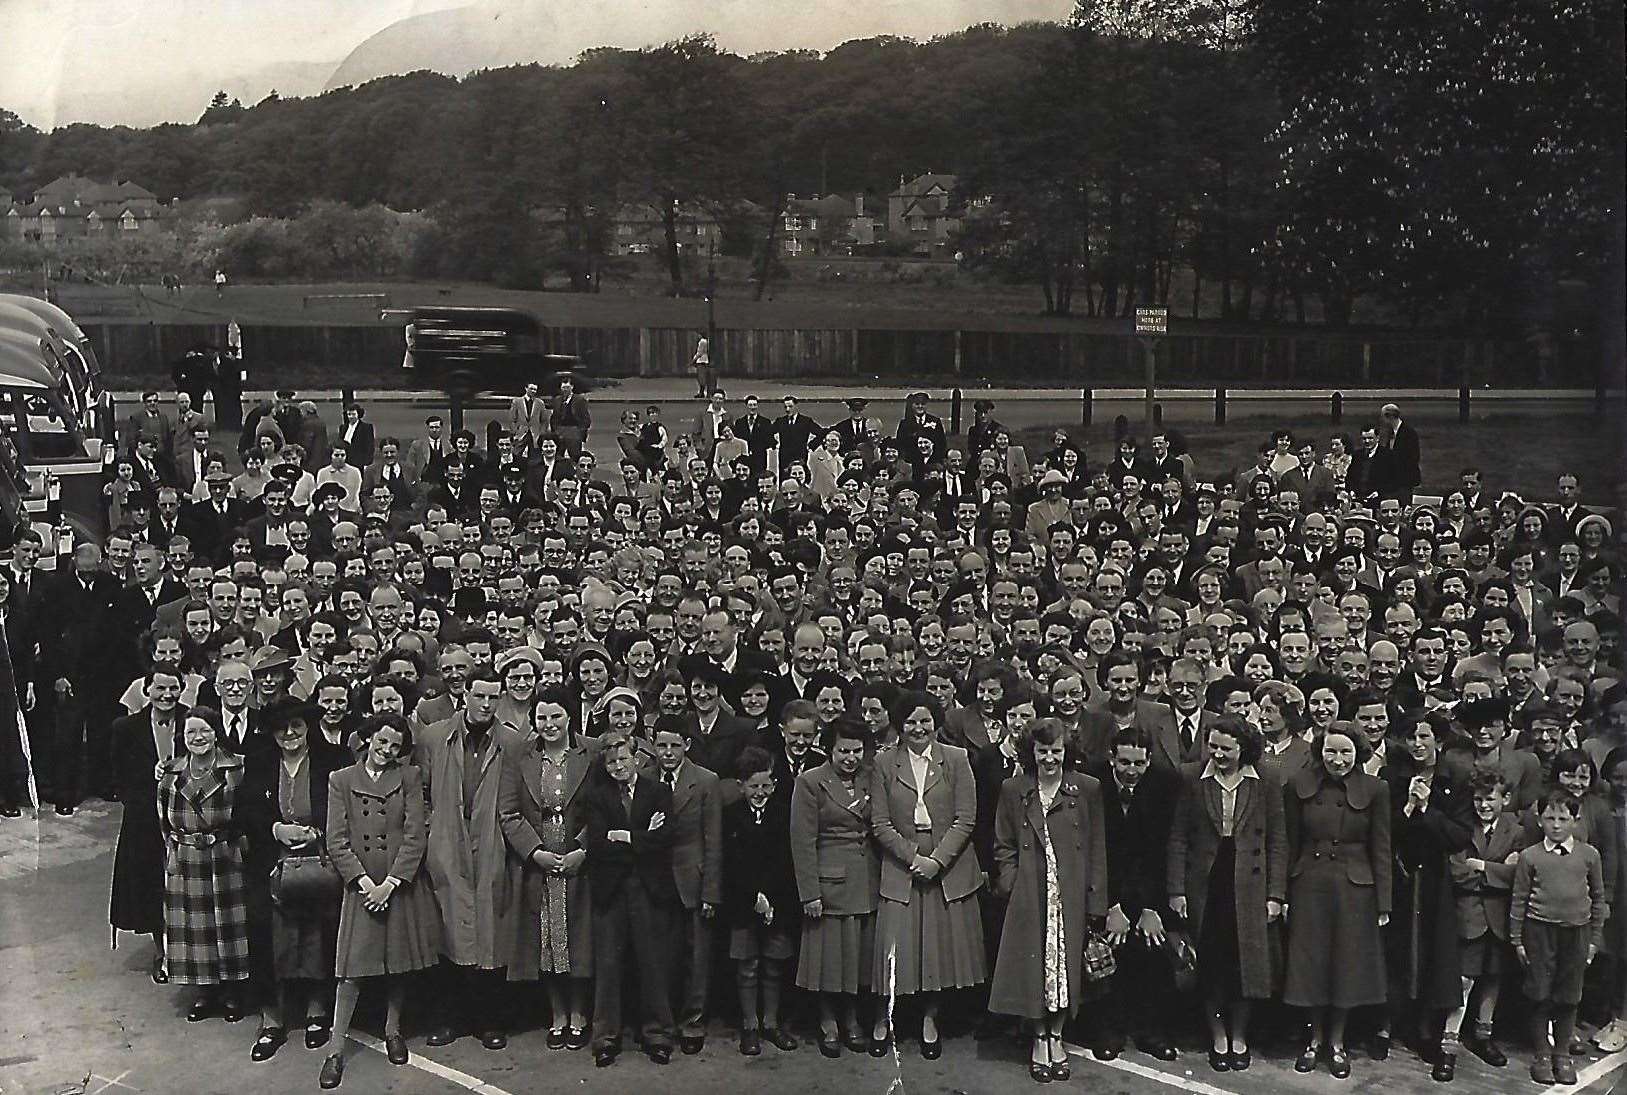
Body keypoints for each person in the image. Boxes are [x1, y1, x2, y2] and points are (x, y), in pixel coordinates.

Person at [320, 714, 440, 1089]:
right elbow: (336, 839)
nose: (386, 751)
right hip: (361, 886)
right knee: (351, 971)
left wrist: (389, 884)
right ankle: (335, 1051)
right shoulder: (340, 780)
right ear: (368, 739)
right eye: (381, 742)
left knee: (397, 963)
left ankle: (393, 1030)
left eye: (395, 746)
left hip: (396, 883)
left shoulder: (409, 777)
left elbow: (415, 835)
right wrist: (363, 883)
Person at [988, 717, 1109, 1083]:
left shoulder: (1086, 789)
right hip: (1029, 893)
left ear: (1066, 752)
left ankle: (1057, 1036)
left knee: (1065, 969)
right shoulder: (1014, 789)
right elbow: (1003, 844)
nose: (1050, 759)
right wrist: (1011, 884)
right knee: (1033, 968)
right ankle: (1038, 1038)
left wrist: (1095, 901)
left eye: (1056, 751)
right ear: (1032, 752)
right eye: (1043, 751)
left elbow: (1097, 849)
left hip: (1069, 895)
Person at [868, 690, 985, 1058]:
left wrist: (936, 860)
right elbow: (880, 822)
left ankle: (930, 1020)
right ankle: (883, 1019)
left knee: (934, 951)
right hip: (902, 862)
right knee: (895, 946)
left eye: (925, 721)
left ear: (936, 723)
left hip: (944, 864)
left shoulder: (957, 759)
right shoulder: (885, 763)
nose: (919, 728)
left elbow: (966, 818)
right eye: (911, 722)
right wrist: (912, 857)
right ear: (899, 726)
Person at [1167, 715, 1286, 1073]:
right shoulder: (1192, 778)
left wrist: (1275, 895)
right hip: (1208, 883)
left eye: (1226, 748)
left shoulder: (1265, 779)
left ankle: (1239, 1035)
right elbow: (1178, 838)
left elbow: (1278, 840)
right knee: (1212, 965)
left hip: (1249, 886)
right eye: (1213, 746)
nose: (1217, 754)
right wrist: (1176, 890)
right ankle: (1218, 1035)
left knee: (1244, 967)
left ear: (1243, 748)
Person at [241, 697, 350, 1061]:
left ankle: (317, 1011)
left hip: (319, 863)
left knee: (318, 932)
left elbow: (345, 809)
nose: (289, 733)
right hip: (270, 864)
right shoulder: (258, 764)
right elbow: (243, 811)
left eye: (297, 726)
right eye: (281, 727)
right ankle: (272, 1019)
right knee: (266, 933)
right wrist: (275, 828)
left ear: (308, 726)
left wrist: (316, 833)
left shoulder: (331, 761)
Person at [1283, 725, 1392, 1079]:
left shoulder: (1376, 789)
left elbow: (1382, 848)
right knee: (1311, 965)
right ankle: (1313, 1039)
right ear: (1320, 751)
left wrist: (1384, 903)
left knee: (1345, 966)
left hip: (1354, 890)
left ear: (1358, 753)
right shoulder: (1299, 785)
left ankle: (1337, 1042)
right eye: (1331, 752)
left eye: (1346, 752)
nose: (1338, 760)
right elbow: (1289, 843)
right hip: (1310, 885)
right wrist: (1281, 894)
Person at [417, 670, 517, 1049]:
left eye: (493, 697)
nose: (486, 704)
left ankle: (488, 1021)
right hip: (446, 844)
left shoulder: (511, 741)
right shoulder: (435, 737)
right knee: (447, 933)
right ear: (466, 696)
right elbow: (421, 791)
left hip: (492, 843)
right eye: (479, 696)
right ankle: (448, 1019)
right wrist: (433, 833)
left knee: (489, 935)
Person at [497, 686, 595, 1051]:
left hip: (579, 865)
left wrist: (582, 850)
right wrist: (534, 852)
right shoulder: (522, 755)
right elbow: (508, 813)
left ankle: (580, 1014)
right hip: (539, 866)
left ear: (570, 716)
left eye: (556, 716)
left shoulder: (591, 753)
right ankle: (556, 1015)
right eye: (542, 718)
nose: (549, 724)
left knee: (579, 940)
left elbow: (603, 807)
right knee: (547, 944)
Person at [583, 733, 678, 1067]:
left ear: (637, 758)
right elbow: (597, 845)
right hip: (612, 890)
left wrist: (623, 836)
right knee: (608, 965)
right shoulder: (596, 796)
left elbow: (665, 838)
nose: (618, 766)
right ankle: (606, 1038)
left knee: (652, 962)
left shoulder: (658, 791)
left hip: (648, 889)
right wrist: (642, 838)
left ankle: (658, 1035)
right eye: (611, 762)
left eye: (624, 759)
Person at [790, 715, 880, 1057]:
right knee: (828, 960)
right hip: (830, 883)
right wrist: (810, 893)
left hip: (867, 880)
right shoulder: (810, 782)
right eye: (843, 751)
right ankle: (828, 1022)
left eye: (857, 751)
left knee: (857, 960)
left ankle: (853, 1019)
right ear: (828, 750)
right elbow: (802, 841)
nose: (850, 758)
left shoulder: (872, 779)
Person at [159, 708, 251, 1023]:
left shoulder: (235, 767)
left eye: (205, 731)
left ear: (215, 732)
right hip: (187, 859)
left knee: (227, 925)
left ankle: (232, 992)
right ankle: (204, 992)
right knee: (196, 930)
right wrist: (174, 851)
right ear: (183, 738)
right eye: (191, 733)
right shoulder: (171, 772)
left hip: (225, 856)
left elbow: (246, 813)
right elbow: (163, 817)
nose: (198, 738)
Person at [1511, 793, 1609, 1087]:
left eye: (1563, 818)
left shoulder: (1589, 855)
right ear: (1540, 821)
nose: (1556, 825)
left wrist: (1593, 939)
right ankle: (1542, 1054)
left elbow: (1598, 899)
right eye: (1550, 818)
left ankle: (1562, 1054)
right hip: (1539, 932)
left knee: (1569, 996)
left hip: (1576, 933)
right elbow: (1519, 899)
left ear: (1574, 821)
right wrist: (1517, 940)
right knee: (1539, 993)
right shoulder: (1530, 857)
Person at [649, 719, 723, 1055]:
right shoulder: (645, 777)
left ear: (687, 746)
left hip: (693, 879)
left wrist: (710, 891)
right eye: (661, 746)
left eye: (674, 746)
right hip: (656, 881)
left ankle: (693, 1023)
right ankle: (660, 1024)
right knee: (660, 956)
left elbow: (713, 840)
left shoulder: (706, 781)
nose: (667, 753)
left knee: (697, 957)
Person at [109, 667, 186, 984]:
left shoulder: (192, 719)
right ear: (147, 690)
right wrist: (145, 789)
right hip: (145, 818)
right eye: (160, 689)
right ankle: (162, 951)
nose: (167, 695)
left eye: (173, 689)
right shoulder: (126, 728)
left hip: (187, 813)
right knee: (152, 884)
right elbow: (117, 775)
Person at [722, 746, 800, 1055]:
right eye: (753, 786)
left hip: (778, 902)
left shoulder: (784, 814)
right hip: (743, 903)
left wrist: (771, 901)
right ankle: (750, 1025)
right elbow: (731, 865)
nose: (760, 792)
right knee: (748, 965)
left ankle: (771, 1023)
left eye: (766, 785)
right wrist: (754, 898)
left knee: (773, 965)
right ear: (740, 785)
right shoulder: (730, 816)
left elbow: (785, 862)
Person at [1447, 771, 1519, 1070]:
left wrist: (1482, 866)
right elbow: (1457, 872)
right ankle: (1448, 1040)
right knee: (1464, 979)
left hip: (1500, 918)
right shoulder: (1462, 828)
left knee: (1493, 978)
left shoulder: (1516, 831)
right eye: (1478, 799)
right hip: (1470, 915)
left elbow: (1518, 875)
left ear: (1505, 798)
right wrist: (1496, 872)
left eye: (1490, 798)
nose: (1484, 805)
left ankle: (1483, 1034)